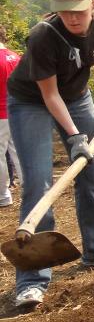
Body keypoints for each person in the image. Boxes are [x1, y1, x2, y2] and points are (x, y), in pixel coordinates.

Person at [6, 0, 94, 309]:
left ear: (93, 3)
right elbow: (48, 94)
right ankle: (32, 280)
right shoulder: (44, 36)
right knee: (38, 183)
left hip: (77, 97)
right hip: (31, 101)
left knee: (90, 174)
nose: (72, 17)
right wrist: (75, 136)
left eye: (78, 10)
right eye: (64, 11)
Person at [0, 24, 22, 207]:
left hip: (0, 114)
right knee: (20, 153)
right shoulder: (16, 57)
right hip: (17, 112)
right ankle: (31, 192)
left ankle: (3, 195)